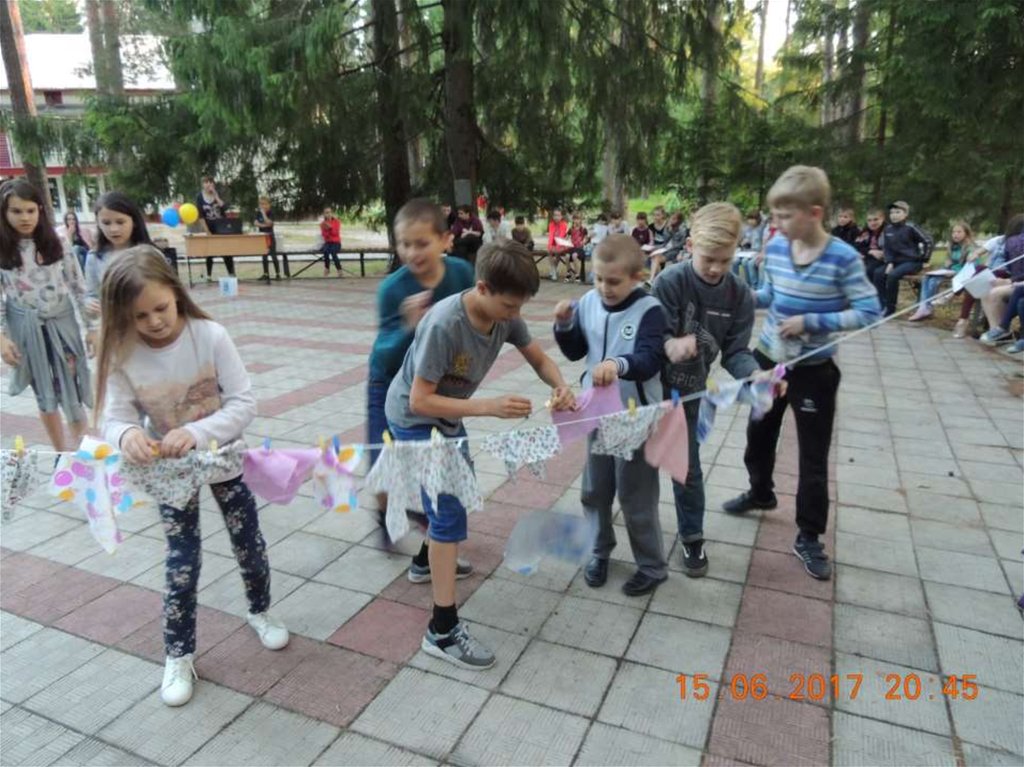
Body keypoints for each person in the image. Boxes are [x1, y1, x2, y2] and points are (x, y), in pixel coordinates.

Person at [94, 245, 289, 706]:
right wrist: (125, 435)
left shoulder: (210, 336)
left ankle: (260, 610)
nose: (154, 322)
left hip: (223, 459)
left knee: (249, 543)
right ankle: (178, 653)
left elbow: (243, 403)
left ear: (176, 294)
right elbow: (112, 416)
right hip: (170, 470)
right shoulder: (122, 353)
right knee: (182, 560)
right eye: (139, 316)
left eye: (161, 308)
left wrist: (197, 433)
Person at [384, 239, 575, 669]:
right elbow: (419, 401)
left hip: (447, 418)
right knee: (449, 512)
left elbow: (539, 358)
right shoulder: (445, 325)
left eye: (519, 307)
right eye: (509, 306)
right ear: (483, 288)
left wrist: (560, 385)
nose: (514, 315)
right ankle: (442, 630)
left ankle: (426, 562)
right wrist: (490, 406)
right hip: (415, 420)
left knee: (457, 495)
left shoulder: (505, 315)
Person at [722, 166, 881, 581]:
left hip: (814, 371)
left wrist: (812, 322)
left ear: (814, 213)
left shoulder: (842, 258)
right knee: (757, 436)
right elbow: (771, 295)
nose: (776, 224)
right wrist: (739, 296)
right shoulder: (776, 247)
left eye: (785, 216)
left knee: (813, 456)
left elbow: (870, 311)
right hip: (768, 360)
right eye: (773, 215)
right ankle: (760, 492)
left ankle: (809, 535)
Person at [553, 234, 668, 595]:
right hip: (597, 414)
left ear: (637, 276)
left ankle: (652, 565)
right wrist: (565, 326)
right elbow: (576, 351)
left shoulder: (650, 310)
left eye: (614, 281)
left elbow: (651, 358)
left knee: (636, 496)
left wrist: (618, 365)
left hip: (636, 418)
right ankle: (598, 551)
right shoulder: (589, 302)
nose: (604, 287)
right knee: (594, 490)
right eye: (598, 278)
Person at [652, 203, 761, 578]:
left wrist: (754, 376)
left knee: (687, 469)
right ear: (690, 245)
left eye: (725, 260)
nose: (715, 268)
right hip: (647, 391)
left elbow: (736, 352)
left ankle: (692, 536)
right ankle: (619, 532)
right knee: (633, 467)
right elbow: (651, 335)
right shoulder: (669, 282)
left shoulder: (740, 295)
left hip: (689, 394)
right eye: (708, 259)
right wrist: (670, 344)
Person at [368, 198, 475, 567]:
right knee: (383, 462)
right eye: (404, 244)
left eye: (421, 243)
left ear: (445, 240)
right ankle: (386, 514)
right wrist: (408, 327)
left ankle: (433, 537)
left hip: (431, 387)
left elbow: (472, 316)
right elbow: (384, 355)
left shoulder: (460, 274)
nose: (412, 252)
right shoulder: (392, 290)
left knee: (437, 465)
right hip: (387, 385)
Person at [0, 178, 96, 451]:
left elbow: (78, 286)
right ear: (4, 213)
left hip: (61, 325)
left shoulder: (58, 241)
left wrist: (92, 328)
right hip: (25, 329)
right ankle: (61, 453)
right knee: (44, 393)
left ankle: (83, 453)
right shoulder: (3, 248)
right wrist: (2, 338)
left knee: (71, 388)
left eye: (31, 210)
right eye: (16, 211)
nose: (25, 217)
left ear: (40, 210)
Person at [85, 192, 153, 311]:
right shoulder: (95, 258)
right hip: (114, 320)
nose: (114, 229)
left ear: (134, 222)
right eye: (106, 223)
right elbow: (92, 294)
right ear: (98, 223)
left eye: (120, 222)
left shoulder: (152, 255)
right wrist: (90, 303)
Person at [909, 220, 976, 322]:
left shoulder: (971, 248)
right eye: (954, 232)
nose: (955, 235)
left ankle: (927, 307)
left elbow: (972, 267)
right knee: (926, 277)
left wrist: (955, 271)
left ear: (966, 234)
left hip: (962, 275)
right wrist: (946, 267)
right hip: (949, 272)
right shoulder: (952, 246)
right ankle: (923, 307)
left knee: (934, 281)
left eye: (959, 232)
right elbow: (949, 262)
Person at [874, 200, 932, 316]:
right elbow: (887, 248)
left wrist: (925, 259)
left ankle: (890, 308)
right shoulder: (888, 229)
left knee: (893, 276)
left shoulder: (911, 227)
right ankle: (881, 304)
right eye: (892, 213)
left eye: (898, 212)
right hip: (896, 262)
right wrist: (889, 262)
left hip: (912, 261)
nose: (894, 215)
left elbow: (928, 241)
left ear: (905, 214)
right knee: (878, 273)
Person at [979, 221, 1024, 346]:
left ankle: (1001, 330)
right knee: (985, 291)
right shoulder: (1010, 244)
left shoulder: (1012, 243)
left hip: (1018, 283)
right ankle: (995, 330)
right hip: (1016, 281)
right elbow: (1011, 268)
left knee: (995, 293)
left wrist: (1009, 281)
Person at [195, 176, 235, 279]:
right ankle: (209, 275)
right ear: (203, 185)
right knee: (210, 251)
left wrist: (216, 196)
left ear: (214, 184)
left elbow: (224, 207)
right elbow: (201, 215)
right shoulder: (199, 196)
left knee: (226, 251)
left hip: (221, 227)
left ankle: (231, 273)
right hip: (209, 226)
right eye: (206, 182)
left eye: (210, 182)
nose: (208, 184)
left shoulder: (218, 193)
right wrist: (207, 230)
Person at [254, 196, 287, 281]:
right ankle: (266, 274)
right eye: (261, 204)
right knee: (264, 255)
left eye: (264, 204)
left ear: (269, 204)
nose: (262, 206)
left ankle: (277, 274)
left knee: (273, 255)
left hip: (270, 236)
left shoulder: (271, 213)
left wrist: (264, 214)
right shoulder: (258, 213)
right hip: (262, 237)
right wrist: (264, 225)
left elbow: (270, 223)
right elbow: (256, 223)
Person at [854, 209, 886, 291]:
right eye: (869, 220)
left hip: (884, 259)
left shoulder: (887, 230)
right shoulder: (866, 231)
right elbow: (857, 245)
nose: (872, 223)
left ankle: (874, 294)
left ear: (882, 219)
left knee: (871, 270)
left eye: (876, 219)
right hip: (869, 257)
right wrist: (870, 251)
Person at [545, 208, 569, 281]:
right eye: (555, 215)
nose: (556, 217)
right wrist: (550, 246)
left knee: (557, 252)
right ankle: (553, 270)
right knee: (549, 251)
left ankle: (553, 271)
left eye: (558, 215)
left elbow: (561, 237)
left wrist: (557, 247)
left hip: (562, 244)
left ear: (561, 216)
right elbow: (551, 236)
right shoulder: (551, 224)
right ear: (553, 216)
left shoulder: (564, 224)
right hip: (554, 244)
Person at [564, 211, 588, 283]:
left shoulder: (583, 229)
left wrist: (583, 241)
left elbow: (586, 239)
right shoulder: (571, 229)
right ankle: (569, 273)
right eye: (575, 219)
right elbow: (566, 238)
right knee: (567, 256)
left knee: (574, 255)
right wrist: (565, 241)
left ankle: (577, 275)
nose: (576, 221)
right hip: (572, 248)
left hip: (580, 249)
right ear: (573, 220)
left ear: (581, 220)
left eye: (578, 219)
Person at [320, 207, 343, 276]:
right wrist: (327, 230)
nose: (328, 214)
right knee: (325, 251)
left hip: (336, 243)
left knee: (333, 252)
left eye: (330, 212)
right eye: (326, 213)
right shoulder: (322, 224)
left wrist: (330, 228)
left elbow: (336, 233)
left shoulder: (337, 222)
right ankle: (327, 268)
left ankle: (339, 270)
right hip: (328, 242)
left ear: (332, 213)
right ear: (324, 214)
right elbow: (324, 235)